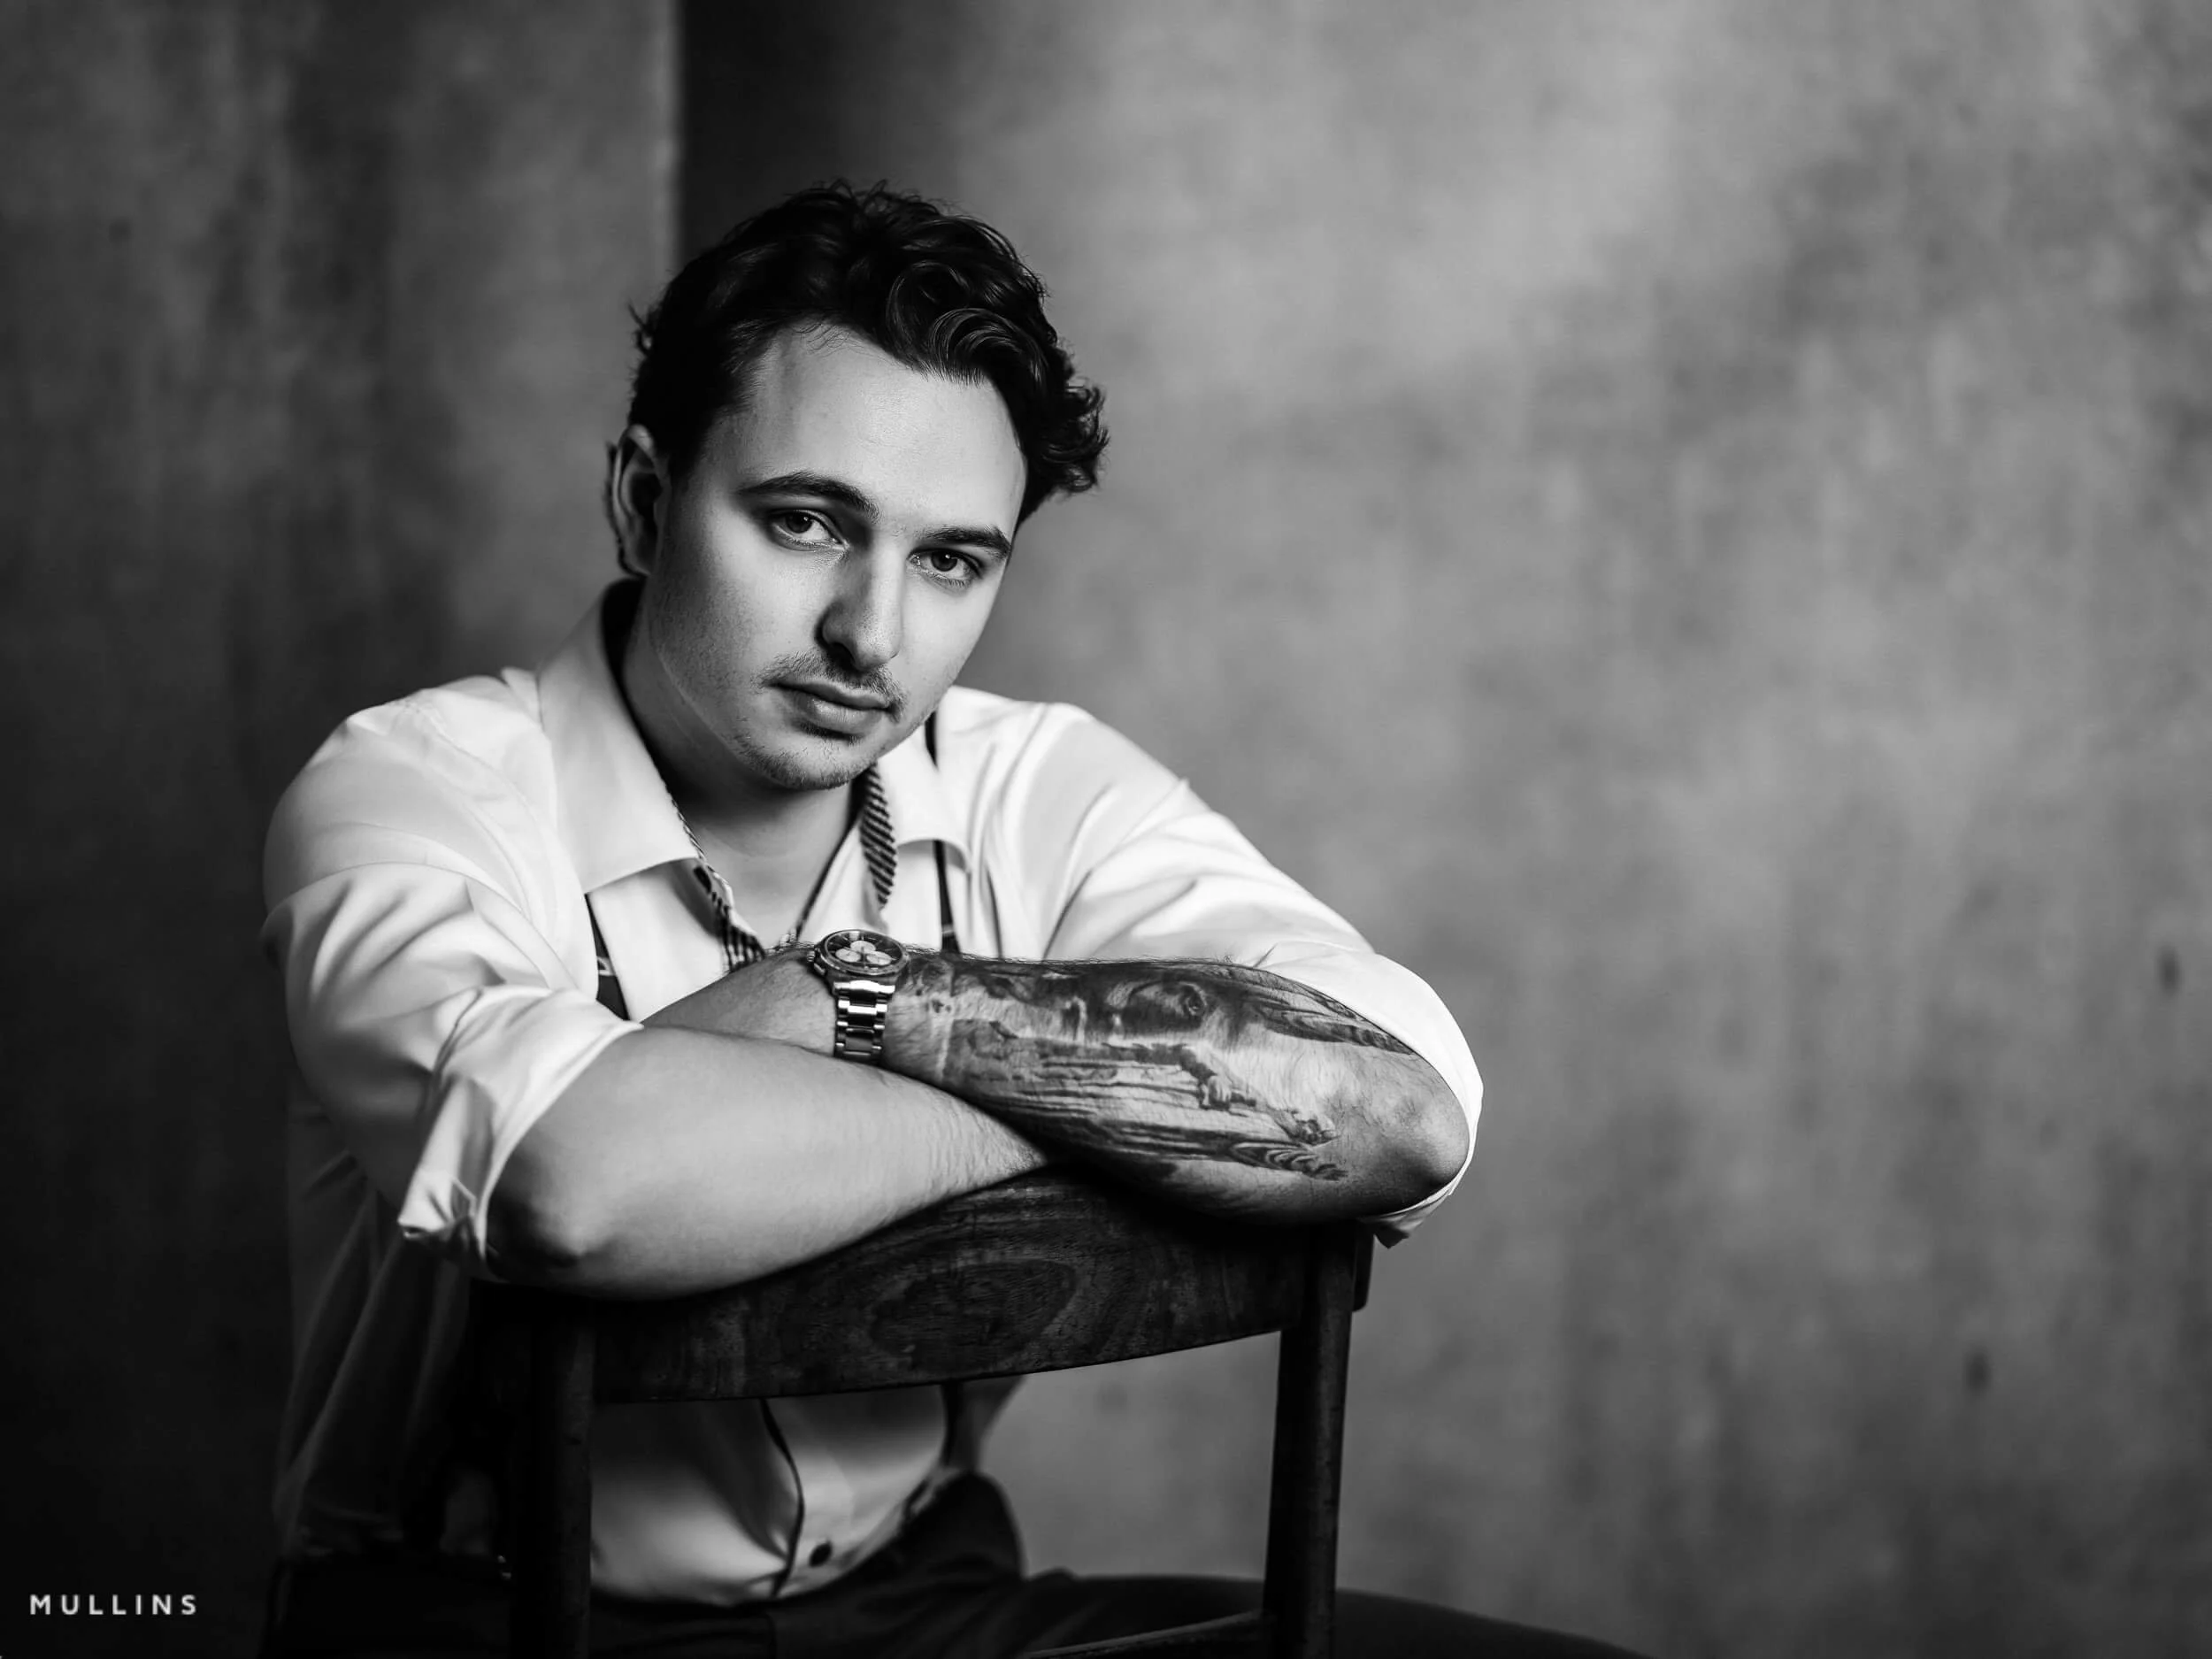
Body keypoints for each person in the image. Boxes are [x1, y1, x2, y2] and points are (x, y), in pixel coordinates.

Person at [259, 183, 1639, 1657]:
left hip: (929, 1607)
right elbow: (569, 1185)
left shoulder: (1032, 781)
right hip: (489, 1626)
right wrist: (1111, 1102)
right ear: (647, 499)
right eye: (804, 523)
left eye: (951, 561)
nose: (872, 631)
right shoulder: (415, 790)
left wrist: (862, 1003)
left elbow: (1401, 1103)